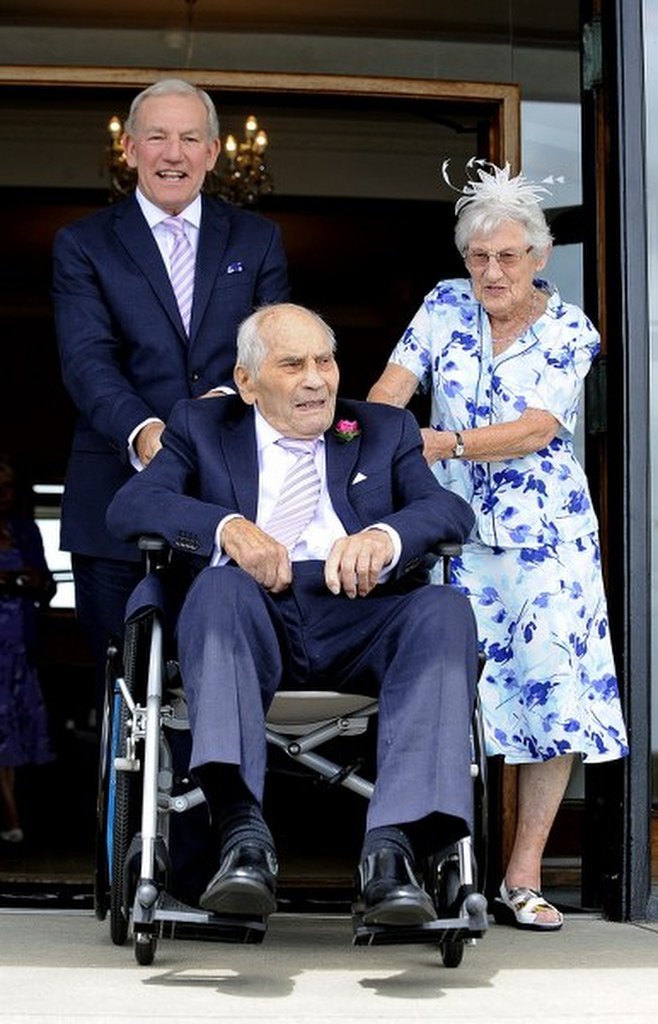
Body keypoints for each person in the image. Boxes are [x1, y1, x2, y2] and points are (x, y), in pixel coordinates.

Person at [106, 302, 478, 931]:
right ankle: (242, 837)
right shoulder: (201, 425)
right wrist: (227, 529)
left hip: (361, 613)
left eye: (324, 362)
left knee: (445, 608)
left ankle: (392, 855)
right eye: (292, 364)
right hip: (246, 615)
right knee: (217, 588)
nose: (316, 380)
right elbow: (132, 505)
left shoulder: (381, 428)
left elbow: (446, 511)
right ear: (246, 382)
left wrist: (384, 538)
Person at [367, 160, 629, 932]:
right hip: (451, 534)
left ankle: (522, 875)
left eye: (508, 256)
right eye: (479, 256)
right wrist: (368, 441)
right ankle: (440, 866)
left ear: (538, 257)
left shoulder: (571, 330)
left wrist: (441, 442)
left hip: (547, 540)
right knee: (444, 691)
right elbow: (391, 389)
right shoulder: (444, 305)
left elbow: (536, 429)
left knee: (552, 693)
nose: (492, 272)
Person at [52, 77, 290, 717]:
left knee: (220, 685)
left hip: (232, 500)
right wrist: (149, 432)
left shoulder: (257, 239)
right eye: (157, 137)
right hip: (112, 503)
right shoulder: (82, 243)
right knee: (124, 696)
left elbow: (273, 351)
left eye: (190, 138)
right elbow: (87, 360)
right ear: (129, 148)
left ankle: (212, 789)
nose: (173, 153)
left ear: (213, 152)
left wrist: (214, 414)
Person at [0, 455, 56, 844]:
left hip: (19, 647)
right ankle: (11, 818)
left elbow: (47, 585)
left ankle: (15, 818)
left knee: (15, 733)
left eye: (8, 487)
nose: (3, 495)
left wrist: (32, 580)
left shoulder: (24, 530)